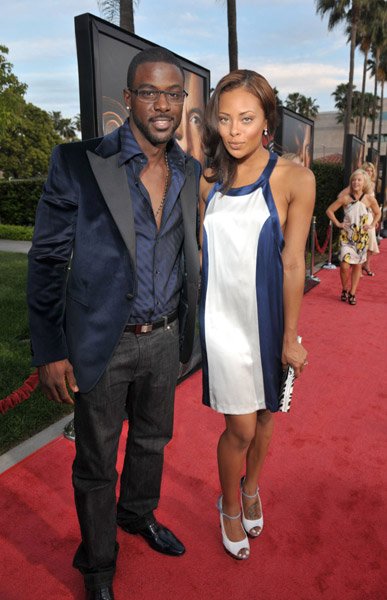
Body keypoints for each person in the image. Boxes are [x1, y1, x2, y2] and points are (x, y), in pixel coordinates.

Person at [27, 47, 200, 600]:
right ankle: (98, 566)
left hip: (165, 337)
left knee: (152, 442)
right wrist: (50, 349)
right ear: (128, 99)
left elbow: (184, 252)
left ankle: (137, 515)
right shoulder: (77, 162)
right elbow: (48, 260)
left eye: (174, 93)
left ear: (184, 101)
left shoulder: (189, 169)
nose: (163, 103)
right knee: (97, 461)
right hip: (102, 343)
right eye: (150, 92)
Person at [198, 70, 315, 560]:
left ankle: (251, 487)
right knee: (240, 427)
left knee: (266, 416)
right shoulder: (208, 180)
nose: (235, 130)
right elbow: (203, 256)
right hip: (222, 321)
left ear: (267, 118)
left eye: (246, 118)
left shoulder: (296, 178)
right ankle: (229, 504)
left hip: (268, 319)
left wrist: (290, 336)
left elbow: (293, 262)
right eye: (224, 119)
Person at [326, 169, 380, 306]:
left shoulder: (369, 199)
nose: (356, 182)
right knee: (344, 266)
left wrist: (372, 224)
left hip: (361, 238)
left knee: (357, 266)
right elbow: (329, 210)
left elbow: (378, 213)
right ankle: (344, 288)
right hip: (347, 237)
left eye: (359, 180)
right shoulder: (345, 198)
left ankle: (352, 293)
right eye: (354, 180)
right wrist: (338, 223)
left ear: (364, 183)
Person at [361, 162, 380, 276]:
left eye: (371, 171)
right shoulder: (360, 182)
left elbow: (374, 203)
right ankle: (358, 266)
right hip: (361, 214)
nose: (369, 172)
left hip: (370, 216)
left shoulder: (373, 184)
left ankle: (367, 265)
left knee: (371, 242)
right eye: (367, 170)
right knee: (361, 242)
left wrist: (375, 219)